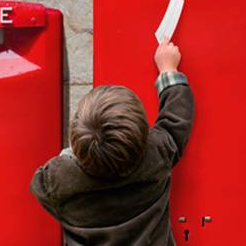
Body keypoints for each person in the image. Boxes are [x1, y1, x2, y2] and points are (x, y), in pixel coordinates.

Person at [29, 39, 195, 245]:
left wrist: (76, 154)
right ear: (143, 135)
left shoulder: (58, 180)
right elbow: (176, 119)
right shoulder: (157, 153)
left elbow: (39, 185)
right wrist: (168, 70)